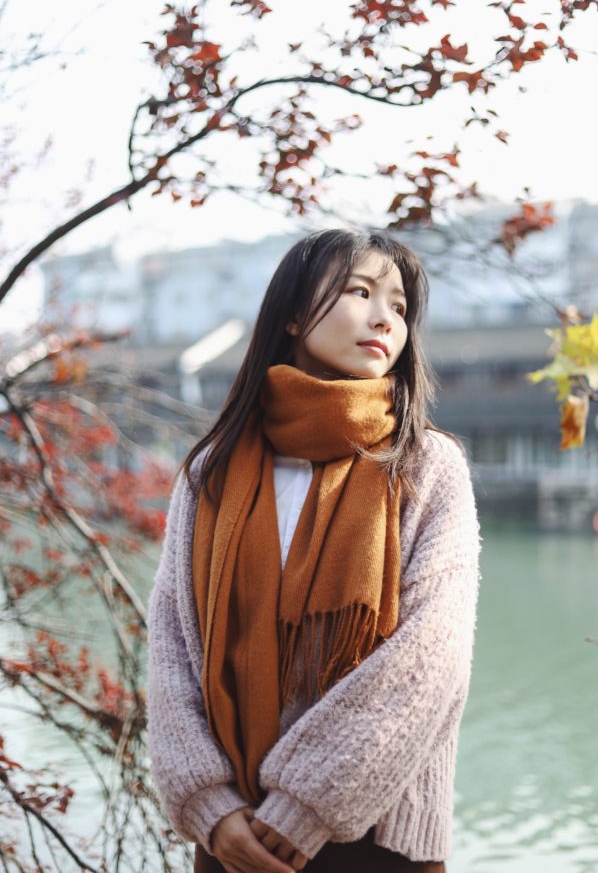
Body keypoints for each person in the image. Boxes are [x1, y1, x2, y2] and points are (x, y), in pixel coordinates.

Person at [146, 229, 482, 873]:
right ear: (295, 315)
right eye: (361, 292)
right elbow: (170, 643)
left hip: (378, 838)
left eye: (400, 305)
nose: (386, 316)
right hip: (234, 836)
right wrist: (208, 806)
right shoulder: (210, 472)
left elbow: (431, 657)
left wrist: (303, 806)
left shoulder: (427, 465)